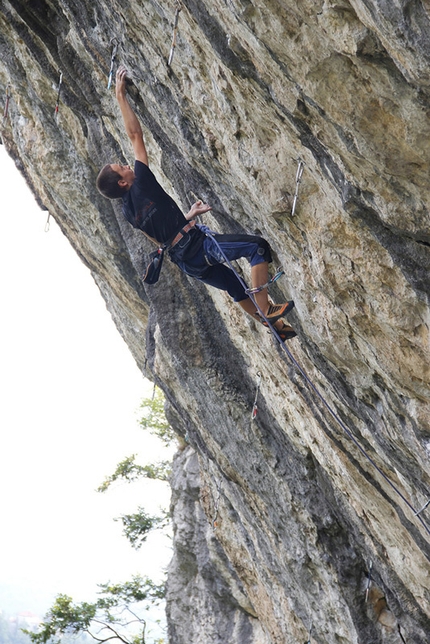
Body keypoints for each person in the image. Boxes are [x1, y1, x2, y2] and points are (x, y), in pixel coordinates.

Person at [96, 66, 296, 341]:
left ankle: (270, 325)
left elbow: (158, 238)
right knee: (256, 247)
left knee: (233, 284)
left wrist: (188, 216)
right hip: (196, 247)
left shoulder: (128, 211)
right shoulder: (140, 180)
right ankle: (266, 308)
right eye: (121, 167)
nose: (125, 164)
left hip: (186, 262)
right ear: (122, 182)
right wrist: (121, 95)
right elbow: (135, 136)